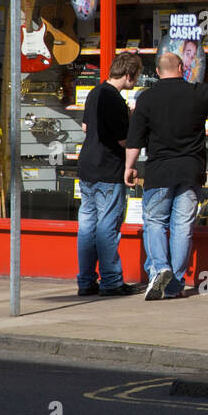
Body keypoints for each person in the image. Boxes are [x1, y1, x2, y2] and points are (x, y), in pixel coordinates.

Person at [124, 50, 208, 300]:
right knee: (182, 227)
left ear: (157, 72)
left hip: (159, 172)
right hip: (190, 171)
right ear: (183, 68)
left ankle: (160, 269)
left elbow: (135, 140)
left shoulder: (147, 99)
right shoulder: (199, 93)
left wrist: (129, 167)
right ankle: (174, 285)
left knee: (155, 223)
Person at [75, 51, 143, 296]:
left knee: (87, 227)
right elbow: (123, 140)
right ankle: (112, 281)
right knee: (107, 227)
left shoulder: (95, 93)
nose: (136, 80)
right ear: (128, 75)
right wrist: (133, 118)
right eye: (136, 76)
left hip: (87, 167)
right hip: (108, 168)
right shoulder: (114, 99)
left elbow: (85, 127)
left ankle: (85, 281)